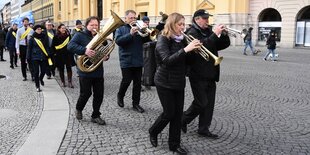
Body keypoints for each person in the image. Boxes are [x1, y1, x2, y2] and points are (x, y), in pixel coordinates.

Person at [148, 12, 201, 155]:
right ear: (172, 24)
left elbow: (188, 62)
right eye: (180, 24)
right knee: (169, 113)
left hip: (178, 81)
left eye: (184, 24)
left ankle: (174, 144)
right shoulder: (163, 39)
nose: (183, 27)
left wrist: (194, 52)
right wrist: (186, 49)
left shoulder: (183, 39)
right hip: (164, 82)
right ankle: (153, 131)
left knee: (177, 116)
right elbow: (167, 60)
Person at [181, 9, 230, 139]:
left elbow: (222, 45)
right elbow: (202, 47)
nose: (207, 20)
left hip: (211, 72)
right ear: (197, 19)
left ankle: (203, 129)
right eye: (205, 18)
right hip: (197, 74)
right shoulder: (191, 32)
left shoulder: (208, 31)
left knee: (209, 104)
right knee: (201, 102)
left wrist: (224, 35)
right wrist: (214, 34)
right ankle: (183, 120)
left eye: (208, 18)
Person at [67, 16, 109, 125]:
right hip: (84, 70)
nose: (94, 27)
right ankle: (79, 109)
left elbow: (105, 50)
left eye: (96, 25)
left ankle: (95, 115)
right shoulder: (79, 35)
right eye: (92, 25)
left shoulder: (101, 36)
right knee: (85, 93)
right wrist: (84, 50)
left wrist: (106, 56)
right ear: (87, 25)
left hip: (98, 70)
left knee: (99, 94)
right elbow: (70, 46)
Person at [115, 10, 150, 113]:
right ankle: (120, 95)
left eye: (135, 18)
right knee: (126, 81)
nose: (133, 19)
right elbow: (118, 41)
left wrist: (145, 31)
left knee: (137, 83)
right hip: (126, 59)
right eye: (131, 18)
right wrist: (130, 34)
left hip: (138, 59)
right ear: (125, 18)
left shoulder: (139, 27)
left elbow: (146, 41)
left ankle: (136, 104)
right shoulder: (120, 29)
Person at [27, 25, 50, 92]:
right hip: (35, 57)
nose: (40, 30)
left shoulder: (44, 37)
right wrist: (28, 57)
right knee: (36, 72)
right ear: (35, 30)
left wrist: (48, 53)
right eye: (38, 29)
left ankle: (41, 79)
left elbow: (47, 46)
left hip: (43, 56)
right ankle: (37, 86)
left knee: (43, 71)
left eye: (40, 29)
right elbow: (29, 48)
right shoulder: (32, 38)